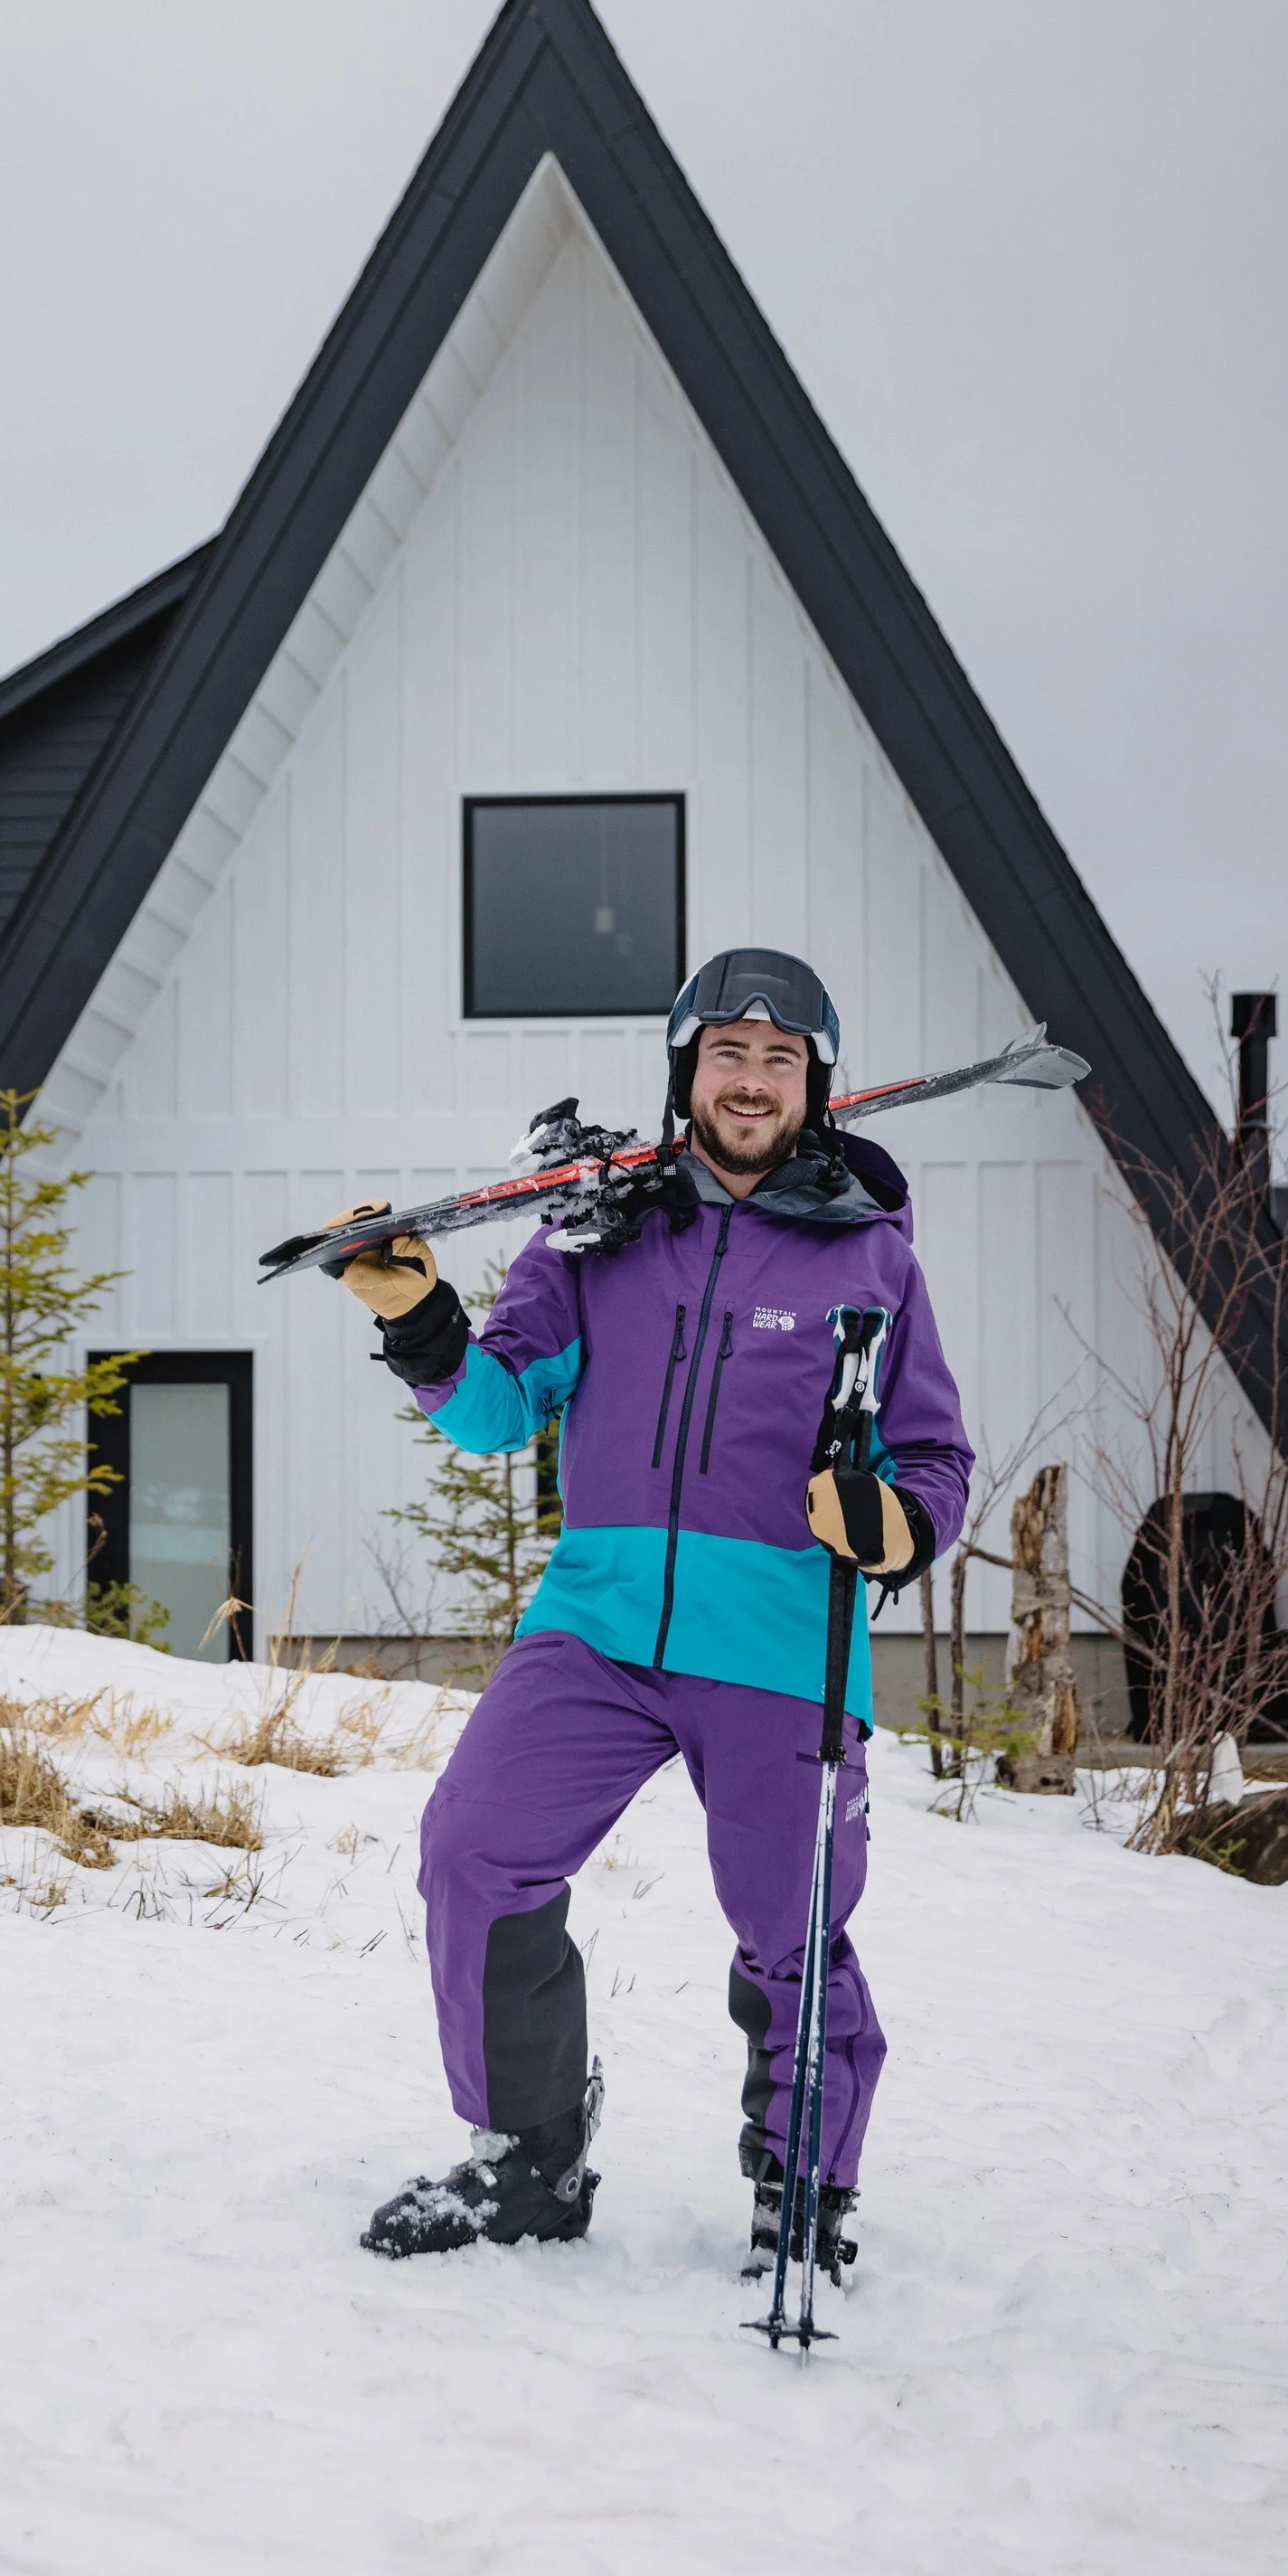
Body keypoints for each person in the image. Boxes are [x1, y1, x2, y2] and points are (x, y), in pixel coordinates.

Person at [328, 948, 973, 2276]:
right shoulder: (598, 1237)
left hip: (780, 1640)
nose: (753, 1080)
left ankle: (803, 2186)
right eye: (728, 1054)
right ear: (687, 1075)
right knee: (475, 1852)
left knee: (791, 1921)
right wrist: (422, 1322)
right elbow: (498, 1409)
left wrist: (896, 1521)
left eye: (780, 1059)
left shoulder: (871, 1259)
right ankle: (528, 2162)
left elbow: (933, 1458)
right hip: (598, 1625)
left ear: (816, 1087)